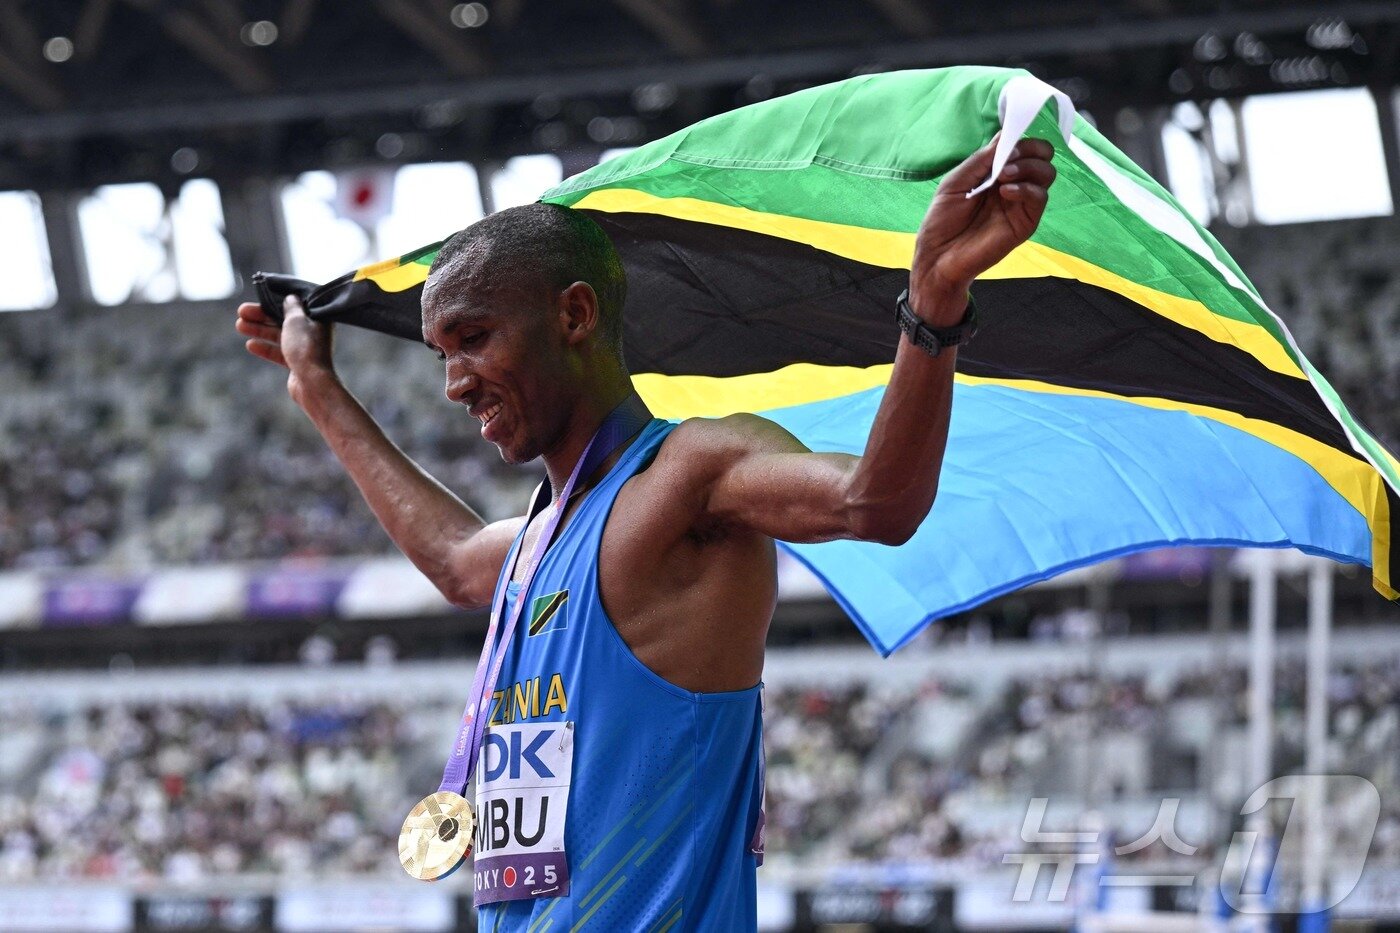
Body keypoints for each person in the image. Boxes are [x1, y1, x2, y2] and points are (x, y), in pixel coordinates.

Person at [235, 135, 1057, 930]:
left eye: (474, 338)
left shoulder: (690, 475)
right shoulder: (535, 544)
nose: (454, 384)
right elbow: (452, 558)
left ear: (575, 314)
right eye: (440, 353)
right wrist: (317, 388)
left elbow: (874, 502)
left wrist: (935, 300)